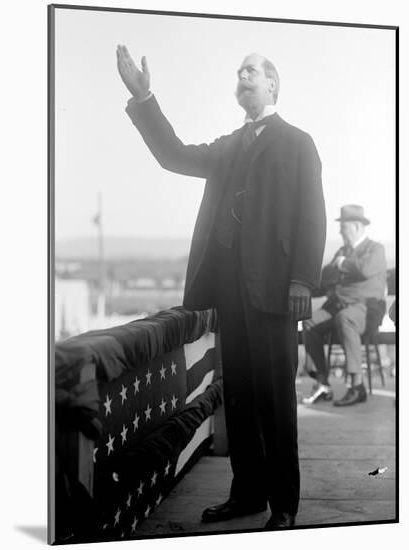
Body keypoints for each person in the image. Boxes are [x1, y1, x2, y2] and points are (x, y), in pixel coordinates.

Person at [116, 46, 326, 530]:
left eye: (251, 71)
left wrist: (301, 281)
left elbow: (312, 214)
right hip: (231, 290)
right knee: (242, 397)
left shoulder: (297, 142)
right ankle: (248, 493)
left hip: (276, 292)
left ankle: (285, 504)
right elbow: (173, 156)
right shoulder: (230, 145)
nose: (243, 77)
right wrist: (144, 97)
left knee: (275, 397)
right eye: (239, 72)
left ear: (273, 84)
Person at [302, 205, 387, 406]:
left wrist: (341, 265)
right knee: (309, 322)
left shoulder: (376, 249)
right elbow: (326, 277)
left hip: (365, 310)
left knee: (345, 317)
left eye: (344, 227)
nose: (340, 231)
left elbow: (365, 270)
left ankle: (357, 387)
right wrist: (342, 269)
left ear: (357, 227)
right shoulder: (343, 251)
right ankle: (323, 384)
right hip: (340, 307)